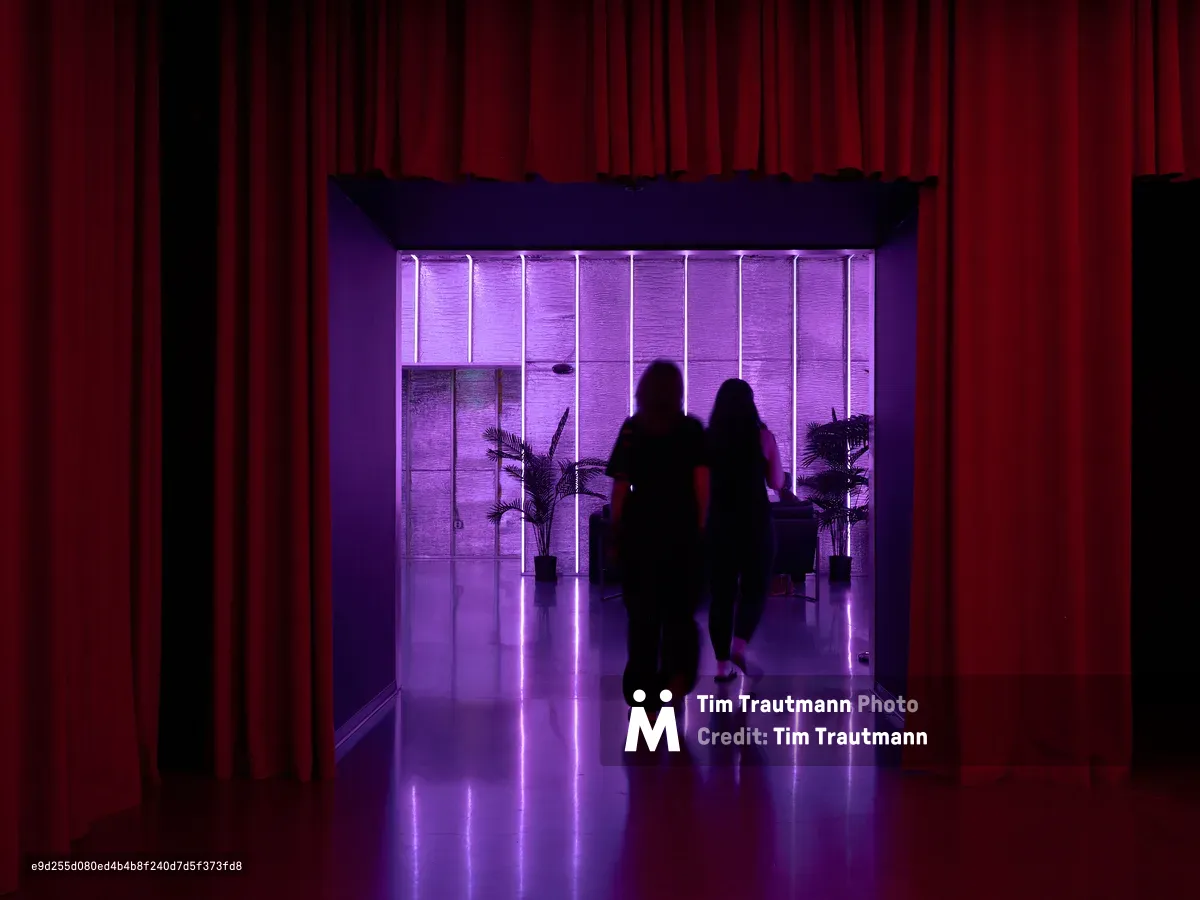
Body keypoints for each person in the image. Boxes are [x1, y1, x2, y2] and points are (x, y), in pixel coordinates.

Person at [607, 360, 709, 710]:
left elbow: (620, 487)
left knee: (643, 618)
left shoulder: (633, 429)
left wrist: (617, 533)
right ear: (677, 392)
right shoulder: (693, 430)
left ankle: (642, 692)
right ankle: (677, 678)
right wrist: (699, 530)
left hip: (640, 533)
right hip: (681, 533)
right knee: (679, 614)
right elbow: (701, 486)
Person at [705, 379, 784, 683]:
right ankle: (739, 646)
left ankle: (722, 668)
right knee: (755, 589)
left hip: (719, 524)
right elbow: (776, 482)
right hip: (755, 523)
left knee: (721, 595)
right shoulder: (763, 437)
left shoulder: (707, 439)